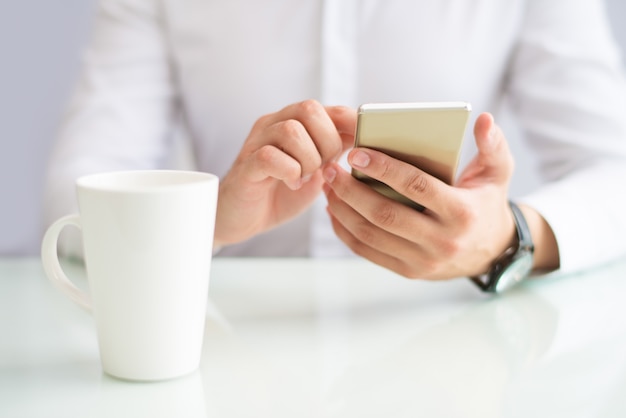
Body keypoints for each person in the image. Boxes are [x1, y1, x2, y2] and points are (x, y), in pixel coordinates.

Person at [44, 0, 626, 283]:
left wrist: (507, 238)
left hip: (446, 334)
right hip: (226, 349)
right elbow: (68, 196)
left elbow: (615, 169)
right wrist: (207, 220)